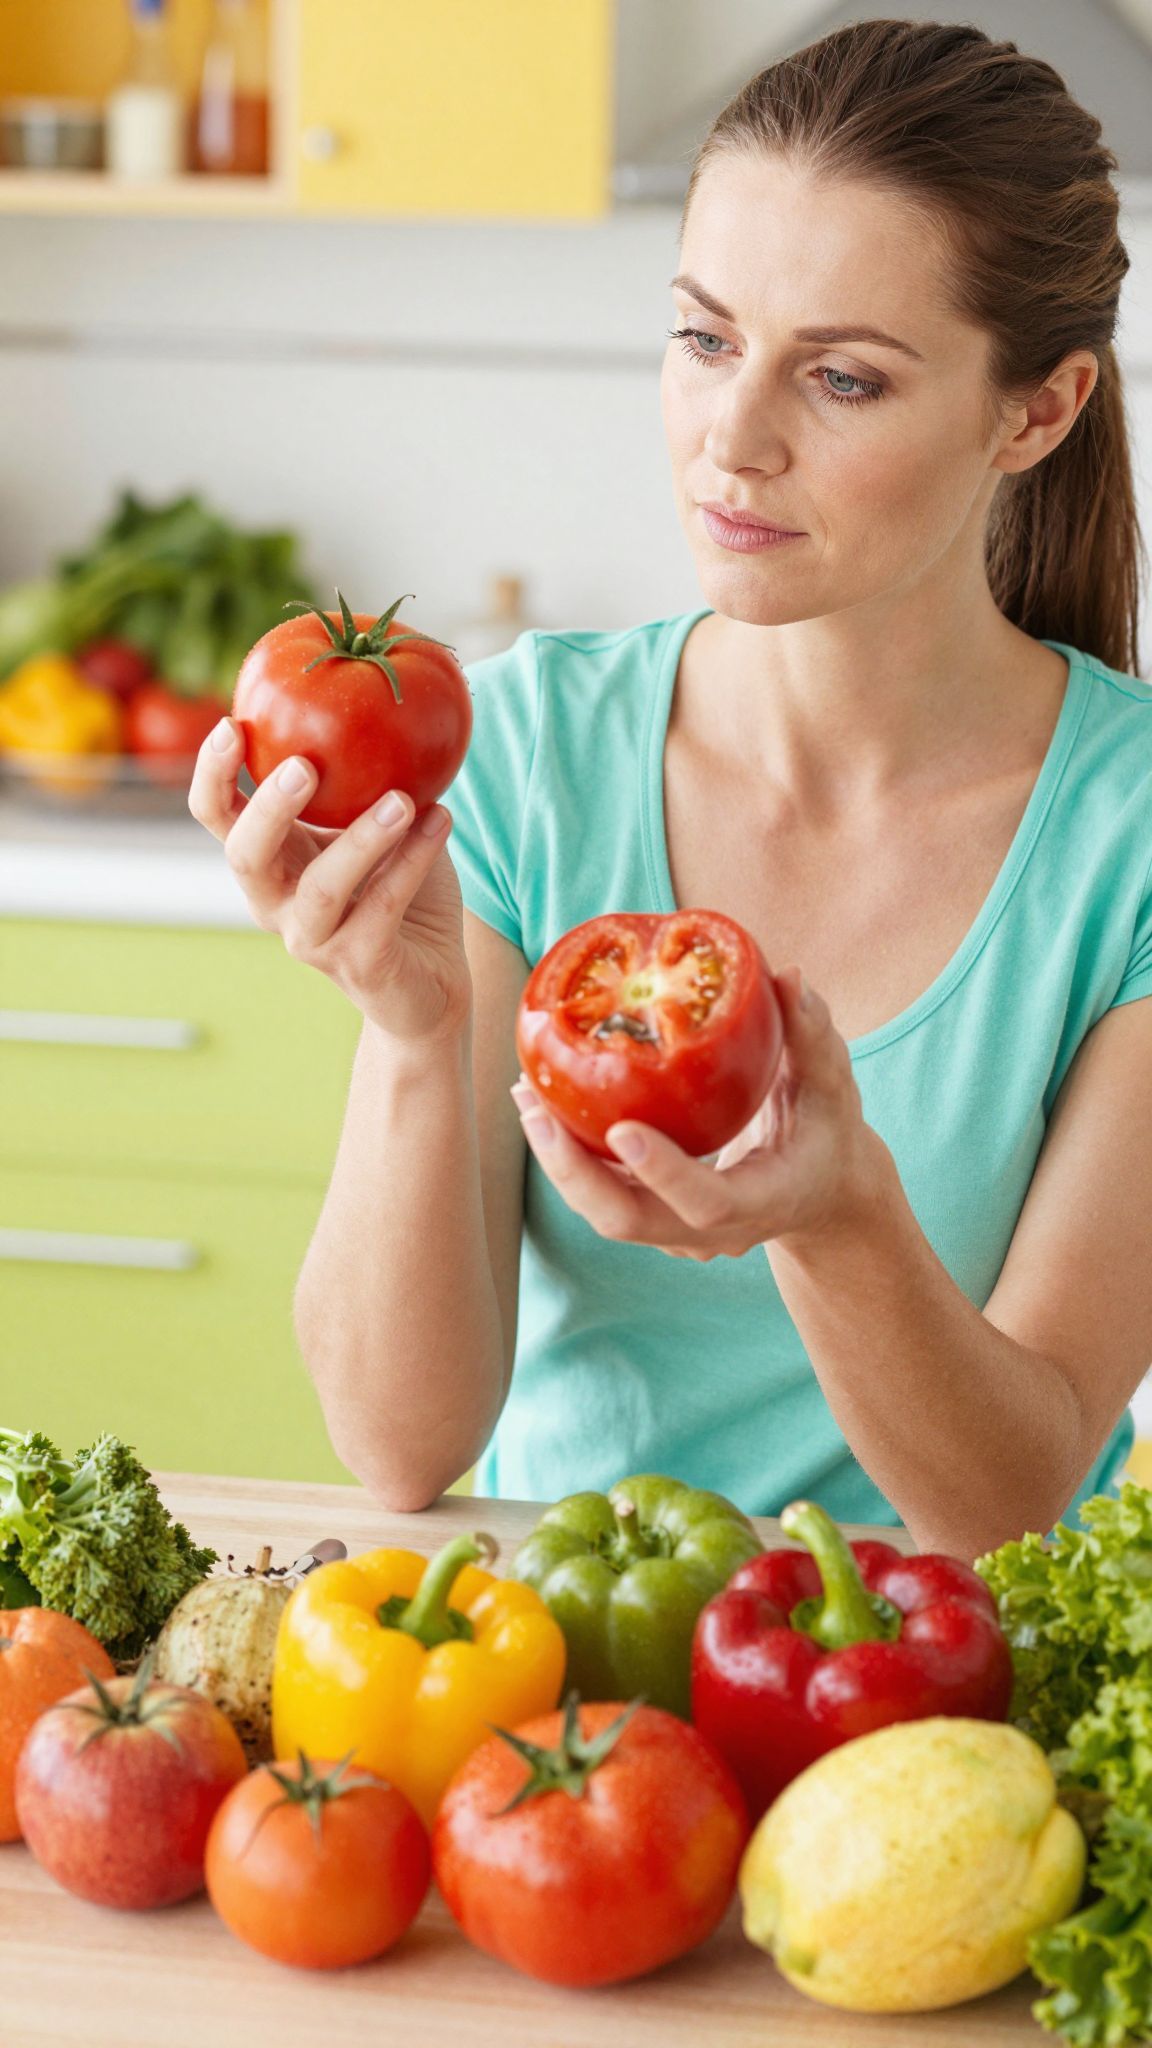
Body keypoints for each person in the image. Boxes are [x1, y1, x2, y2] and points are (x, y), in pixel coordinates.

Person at [190, 20, 1152, 1561]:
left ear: (1035, 412)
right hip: (566, 1701)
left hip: (931, 1720)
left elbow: (1013, 1492)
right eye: (706, 339)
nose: (732, 438)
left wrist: (837, 1219)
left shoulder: (1131, 839)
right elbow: (397, 1443)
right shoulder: (519, 759)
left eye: (841, 378)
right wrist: (414, 1025)